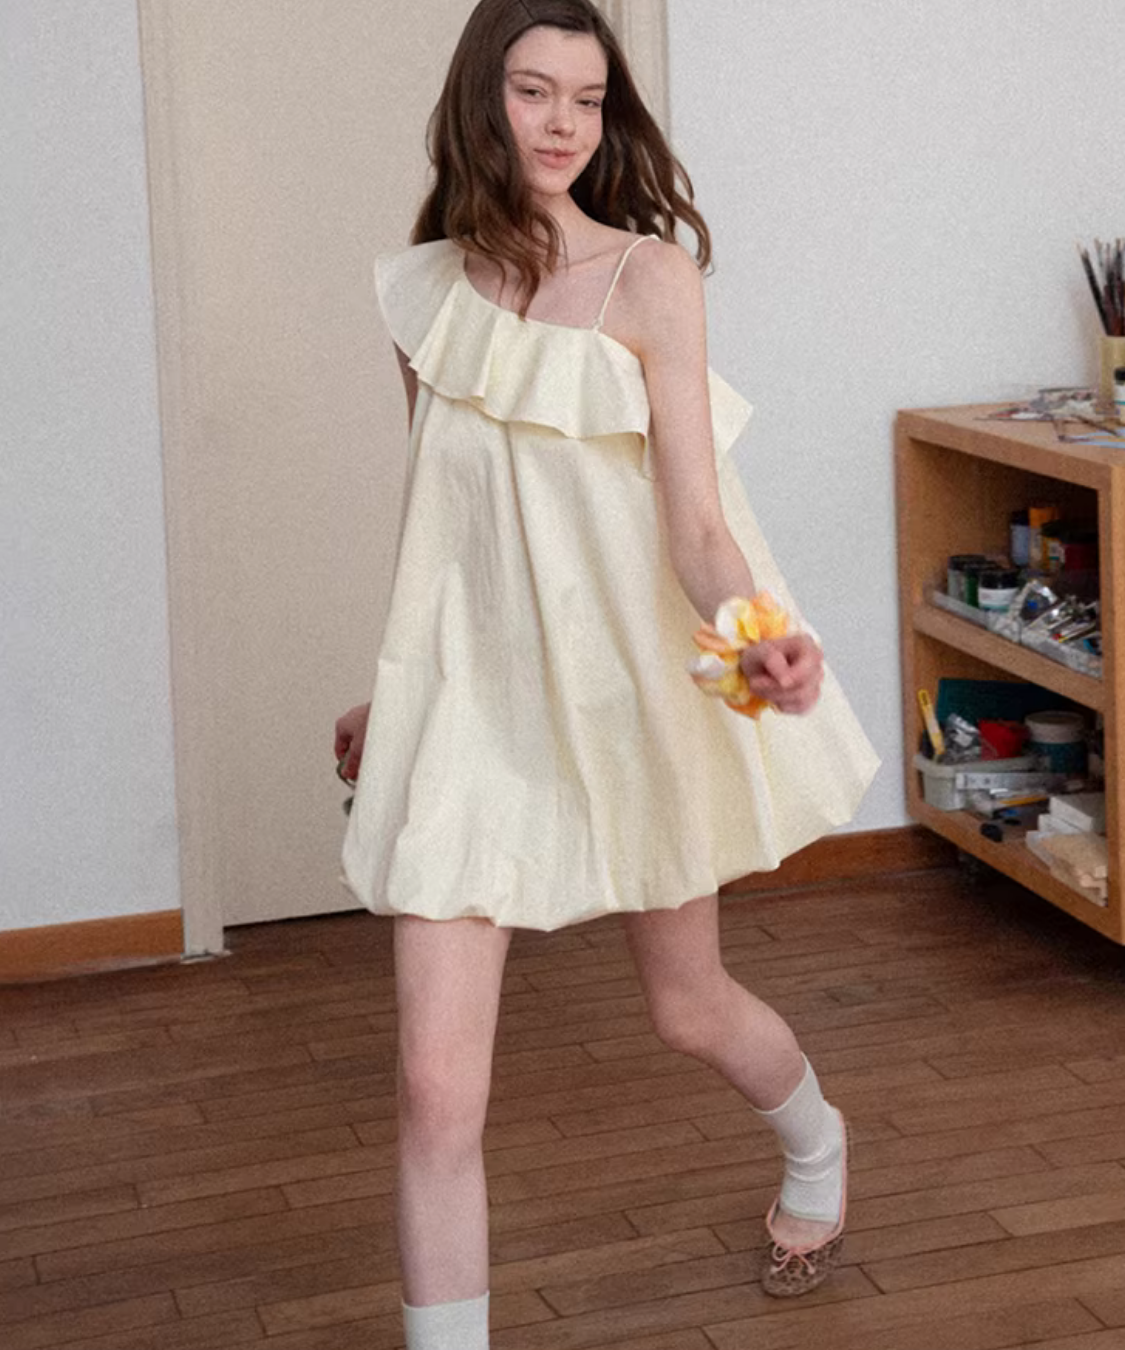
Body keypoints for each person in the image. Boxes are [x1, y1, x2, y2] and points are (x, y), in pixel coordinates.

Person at [335, 2, 879, 1344]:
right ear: (484, 97)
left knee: (687, 1006)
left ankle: (816, 1145)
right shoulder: (424, 295)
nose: (564, 122)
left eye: (586, 97)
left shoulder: (650, 280)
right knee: (434, 1090)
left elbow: (696, 525)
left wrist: (755, 633)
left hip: (625, 696)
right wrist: (393, 693)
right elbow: (445, 525)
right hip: (471, 712)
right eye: (534, 90)